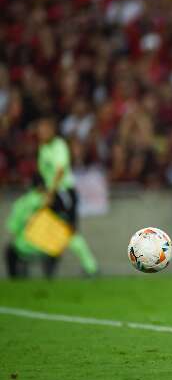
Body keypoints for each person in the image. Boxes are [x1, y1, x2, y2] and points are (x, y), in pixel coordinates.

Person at [36, 116, 99, 276]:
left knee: (69, 231)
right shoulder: (43, 149)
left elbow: (60, 171)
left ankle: (91, 267)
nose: (41, 132)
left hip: (64, 193)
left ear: (52, 130)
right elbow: (45, 174)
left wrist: (50, 193)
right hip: (53, 194)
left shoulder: (59, 146)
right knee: (51, 229)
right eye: (40, 129)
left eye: (44, 129)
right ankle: (50, 268)